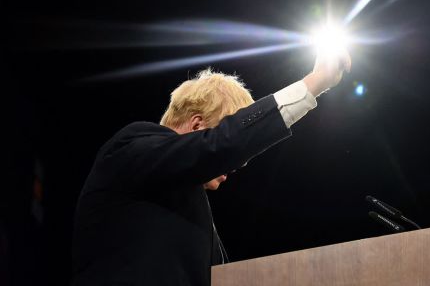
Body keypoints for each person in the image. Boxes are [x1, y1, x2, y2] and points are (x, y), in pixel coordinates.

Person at [71, 49, 351, 286]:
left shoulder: (192, 208)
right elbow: (222, 145)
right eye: (228, 132)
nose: (240, 163)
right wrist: (313, 83)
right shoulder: (130, 146)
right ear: (197, 125)